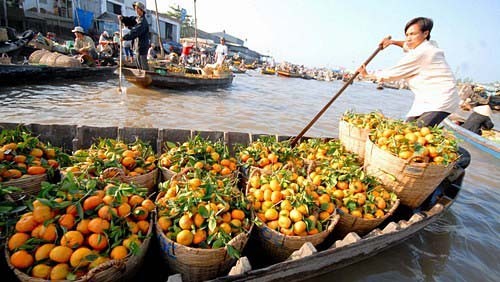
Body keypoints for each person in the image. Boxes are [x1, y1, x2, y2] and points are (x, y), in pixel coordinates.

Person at [358, 17, 459, 127]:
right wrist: (392, 42)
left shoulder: (422, 53)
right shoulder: (429, 45)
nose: (408, 38)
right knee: (406, 128)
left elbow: (392, 73)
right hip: (427, 99)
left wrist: (367, 75)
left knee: (414, 134)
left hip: (440, 100)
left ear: (425, 34)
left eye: (412, 34)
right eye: (407, 35)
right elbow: (407, 45)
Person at [118, 2, 149, 70]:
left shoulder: (143, 22)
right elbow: (130, 20)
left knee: (142, 65)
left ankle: (146, 76)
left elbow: (135, 31)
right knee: (138, 64)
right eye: (135, 9)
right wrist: (123, 19)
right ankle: (141, 76)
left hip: (142, 46)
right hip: (137, 46)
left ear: (141, 10)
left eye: (137, 9)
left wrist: (124, 38)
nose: (136, 10)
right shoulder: (137, 19)